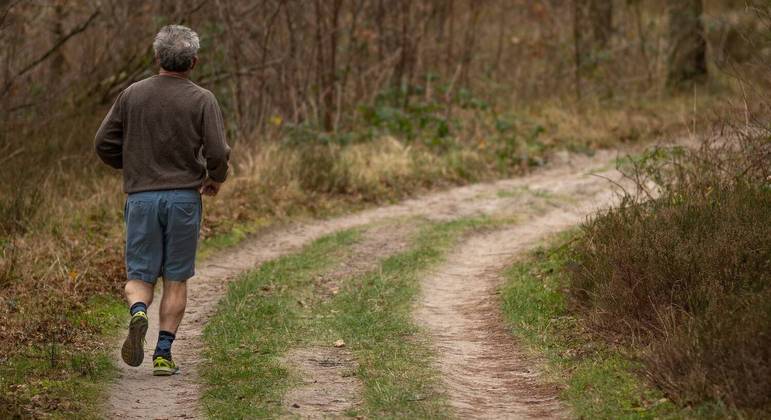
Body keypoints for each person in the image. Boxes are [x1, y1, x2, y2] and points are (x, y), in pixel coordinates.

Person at [94, 25, 230, 376]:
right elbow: (217, 151)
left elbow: (103, 143)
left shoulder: (131, 95)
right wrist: (215, 178)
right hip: (185, 198)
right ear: (194, 62)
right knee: (175, 278)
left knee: (140, 274)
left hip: (141, 198)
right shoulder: (203, 99)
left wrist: (134, 166)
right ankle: (163, 354)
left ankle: (138, 311)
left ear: (157, 58)